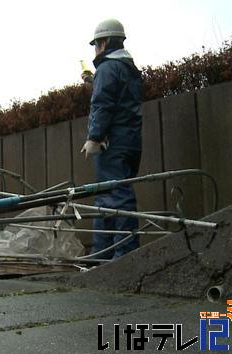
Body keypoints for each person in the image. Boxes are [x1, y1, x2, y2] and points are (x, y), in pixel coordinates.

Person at [80, 19, 143, 259]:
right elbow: (119, 98)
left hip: (112, 143)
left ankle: (122, 256)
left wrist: (94, 137)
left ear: (103, 42)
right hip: (130, 141)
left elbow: (103, 104)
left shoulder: (107, 68)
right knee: (110, 194)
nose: (95, 50)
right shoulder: (129, 68)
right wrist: (93, 82)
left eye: (96, 44)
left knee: (114, 196)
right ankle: (103, 254)